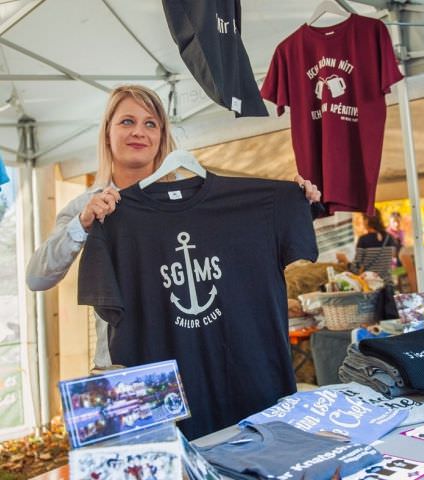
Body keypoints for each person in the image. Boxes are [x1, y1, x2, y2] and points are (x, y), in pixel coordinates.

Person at [26, 84, 321, 429]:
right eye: (127, 122)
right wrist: (84, 223)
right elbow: (36, 276)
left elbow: (244, 247)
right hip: (130, 375)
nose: (139, 131)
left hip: (215, 362)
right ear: (107, 133)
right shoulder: (89, 208)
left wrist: (297, 205)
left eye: (151, 124)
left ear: (162, 136)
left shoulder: (207, 199)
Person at [336, 208, 397, 319]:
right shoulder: (390, 238)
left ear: (367, 220)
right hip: (388, 287)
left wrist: (344, 260)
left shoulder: (364, 240)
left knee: (373, 324)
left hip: (370, 291)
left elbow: (355, 269)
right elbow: (392, 258)